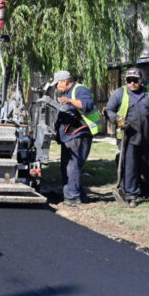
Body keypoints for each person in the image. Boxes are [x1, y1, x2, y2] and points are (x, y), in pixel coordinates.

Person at [105, 67, 149, 208]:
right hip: (128, 136)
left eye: (135, 80)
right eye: (129, 80)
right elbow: (108, 110)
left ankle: (136, 190)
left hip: (145, 136)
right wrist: (118, 120)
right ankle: (131, 195)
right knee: (131, 166)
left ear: (141, 80)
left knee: (142, 165)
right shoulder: (120, 93)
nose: (132, 83)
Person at [49, 70, 101, 206]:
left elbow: (87, 105)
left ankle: (72, 198)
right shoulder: (66, 93)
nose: (56, 87)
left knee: (72, 166)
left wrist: (69, 101)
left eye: (57, 84)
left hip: (79, 133)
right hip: (69, 135)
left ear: (64, 81)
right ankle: (77, 195)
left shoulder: (80, 90)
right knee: (67, 166)